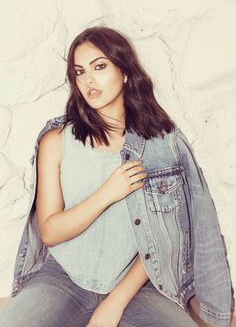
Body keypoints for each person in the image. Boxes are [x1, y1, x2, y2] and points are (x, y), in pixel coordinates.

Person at [0, 26, 233, 327]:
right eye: (80, 71)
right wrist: (108, 193)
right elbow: (50, 231)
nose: (89, 80)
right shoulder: (56, 141)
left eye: (99, 67)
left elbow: (167, 239)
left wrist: (115, 303)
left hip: (138, 286)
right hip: (61, 278)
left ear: (124, 71)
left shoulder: (162, 145)